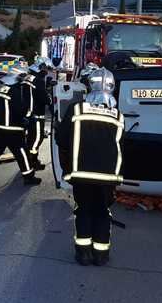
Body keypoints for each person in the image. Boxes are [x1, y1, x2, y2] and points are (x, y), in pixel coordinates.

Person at [56, 68, 124, 266]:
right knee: (102, 212)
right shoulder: (118, 116)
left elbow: (61, 139)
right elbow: (121, 145)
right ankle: (101, 254)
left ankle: (83, 254)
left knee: (84, 210)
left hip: (81, 173)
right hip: (108, 177)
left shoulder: (76, 109)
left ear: (89, 85)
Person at [0, 67, 42, 186]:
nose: (23, 81)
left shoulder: (3, 89)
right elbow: (20, 110)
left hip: (0, 128)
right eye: (21, 78)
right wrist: (29, 116)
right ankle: (29, 177)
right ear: (17, 78)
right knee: (23, 153)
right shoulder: (15, 91)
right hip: (13, 130)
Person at [24, 56, 54, 171]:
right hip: (36, 116)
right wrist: (50, 96)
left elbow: (35, 93)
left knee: (30, 139)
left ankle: (29, 160)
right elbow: (44, 98)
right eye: (46, 69)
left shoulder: (29, 78)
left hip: (29, 115)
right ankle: (32, 161)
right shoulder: (38, 81)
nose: (46, 72)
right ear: (41, 67)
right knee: (37, 139)